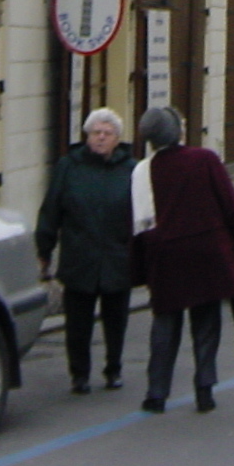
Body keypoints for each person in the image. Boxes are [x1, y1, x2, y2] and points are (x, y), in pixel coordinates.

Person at [131, 106, 234, 415]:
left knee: (164, 324)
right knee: (207, 322)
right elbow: (231, 208)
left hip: (165, 255)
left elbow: (138, 224)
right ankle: (204, 389)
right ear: (178, 131)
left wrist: (141, 269)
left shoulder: (143, 171)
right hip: (207, 251)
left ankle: (156, 393)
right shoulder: (205, 160)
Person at [36, 107, 135, 394]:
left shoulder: (131, 170)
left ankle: (113, 368)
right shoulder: (69, 167)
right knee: (78, 323)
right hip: (80, 257)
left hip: (117, 258)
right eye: (96, 133)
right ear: (87, 136)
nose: (101, 138)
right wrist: (45, 249)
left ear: (117, 139)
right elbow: (51, 210)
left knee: (116, 320)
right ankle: (79, 373)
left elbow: (143, 215)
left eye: (107, 134)